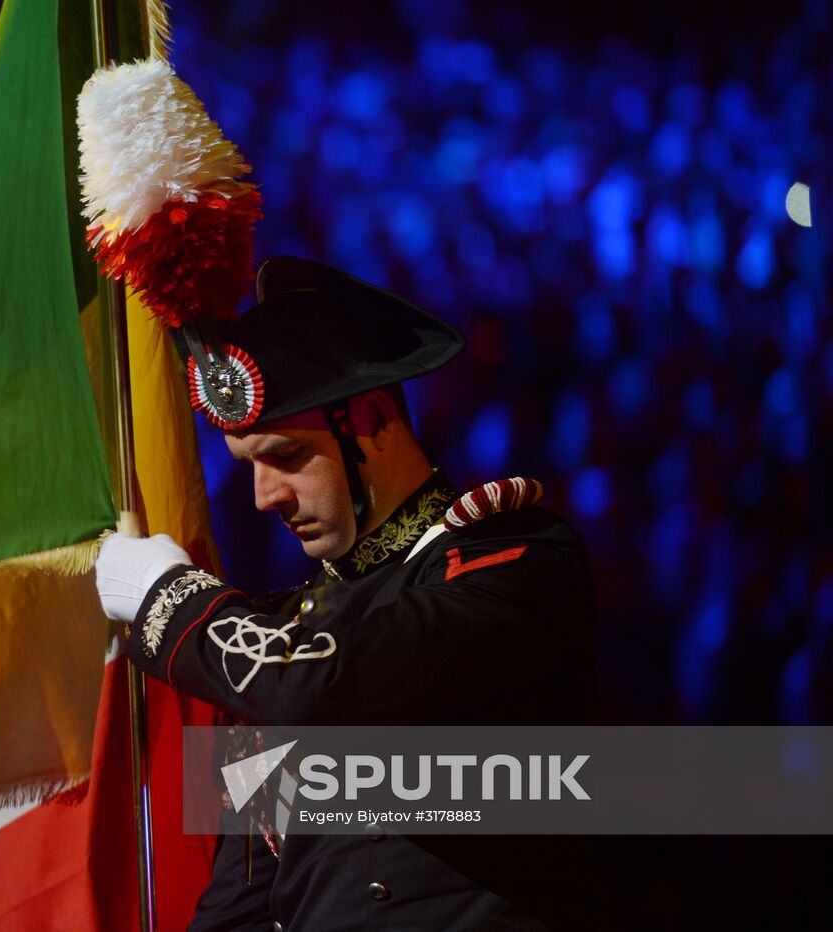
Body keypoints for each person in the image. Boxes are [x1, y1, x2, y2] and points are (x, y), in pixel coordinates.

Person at [95, 256, 596, 931]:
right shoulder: (290, 632)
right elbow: (241, 901)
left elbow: (330, 680)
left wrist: (170, 602)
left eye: (286, 458)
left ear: (377, 420)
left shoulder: (518, 560)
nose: (264, 495)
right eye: (250, 466)